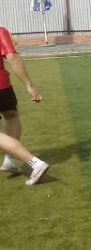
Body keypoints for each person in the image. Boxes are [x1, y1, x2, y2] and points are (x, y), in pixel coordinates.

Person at [0, 27, 49, 186]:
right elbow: (12, 57)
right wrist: (29, 85)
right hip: (4, 87)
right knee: (11, 115)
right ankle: (10, 159)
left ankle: (35, 163)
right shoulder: (1, 31)